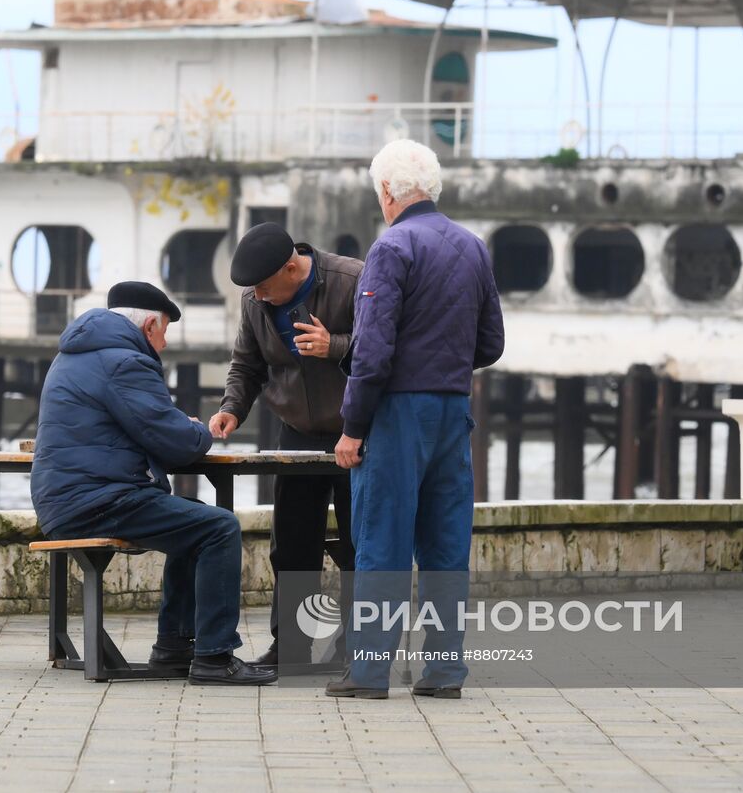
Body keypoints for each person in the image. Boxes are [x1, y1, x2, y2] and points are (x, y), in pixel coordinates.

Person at [327, 140, 505, 700]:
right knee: (446, 545)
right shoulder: (473, 247)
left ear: (387, 191)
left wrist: (353, 427)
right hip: (454, 410)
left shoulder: (392, 247)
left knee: (381, 540)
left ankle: (370, 674)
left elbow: (371, 351)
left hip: (398, 412)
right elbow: (492, 343)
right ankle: (445, 674)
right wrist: (443, 364)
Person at [31, 280, 276, 687]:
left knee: (193, 525)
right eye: (164, 332)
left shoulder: (74, 354)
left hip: (69, 497)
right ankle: (215, 657)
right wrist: (198, 430)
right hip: (97, 500)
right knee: (219, 527)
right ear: (148, 326)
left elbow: (144, 425)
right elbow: (176, 442)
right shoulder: (125, 361)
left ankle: (174, 649)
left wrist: (174, 429)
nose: (163, 344)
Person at [209, 223, 362, 667]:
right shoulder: (254, 300)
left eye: (263, 286)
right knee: (292, 542)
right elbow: (247, 364)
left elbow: (385, 347)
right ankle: (290, 647)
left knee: (360, 542)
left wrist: (332, 345)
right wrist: (232, 408)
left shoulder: (354, 280)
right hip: (295, 431)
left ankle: (355, 648)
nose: (257, 295)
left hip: (355, 430)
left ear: (293, 268)